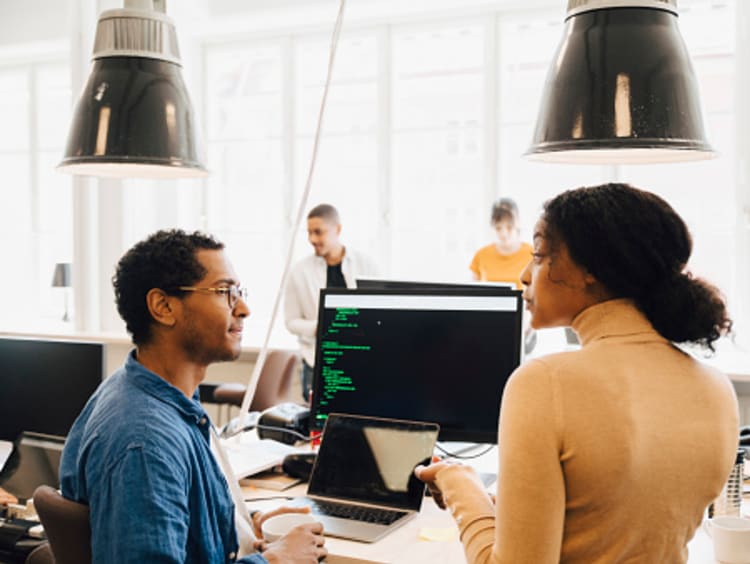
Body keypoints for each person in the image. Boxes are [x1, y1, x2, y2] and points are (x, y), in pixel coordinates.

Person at [416, 183, 738, 563]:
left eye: (538, 255)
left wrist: (458, 485)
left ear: (589, 269)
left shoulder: (544, 382)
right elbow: (610, 520)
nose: (523, 275)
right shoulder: (717, 390)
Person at [60, 229, 326, 563]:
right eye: (225, 292)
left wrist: (240, 525)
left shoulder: (151, 394)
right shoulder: (145, 444)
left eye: (239, 292)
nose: (243, 308)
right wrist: (274, 561)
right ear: (163, 306)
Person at [284, 204, 377, 401]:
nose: (312, 240)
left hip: (360, 359)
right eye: (309, 233)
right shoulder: (299, 272)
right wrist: (320, 327)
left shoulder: (366, 264)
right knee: (319, 425)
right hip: (316, 362)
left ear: (338, 229)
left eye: (318, 232)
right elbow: (291, 321)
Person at [469, 198, 532, 289]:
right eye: (498, 228)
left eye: (509, 227)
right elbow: (473, 292)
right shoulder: (481, 255)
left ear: (517, 224)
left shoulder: (532, 254)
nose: (504, 234)